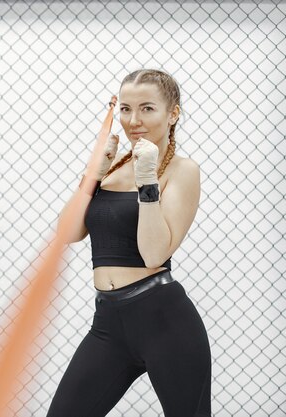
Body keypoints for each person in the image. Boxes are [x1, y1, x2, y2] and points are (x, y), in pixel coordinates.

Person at [48, 69, 210, 417]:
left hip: (164, 321)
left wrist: (147, 179)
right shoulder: (110, 170)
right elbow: (68, 233)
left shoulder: (183, 170)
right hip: (108, 324)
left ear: (173, 113)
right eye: (125, 108)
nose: (133, 120)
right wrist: (93, 172)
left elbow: (154, 253)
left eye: (147, 108)